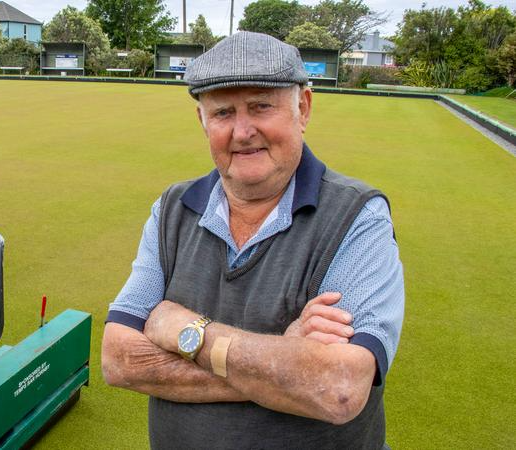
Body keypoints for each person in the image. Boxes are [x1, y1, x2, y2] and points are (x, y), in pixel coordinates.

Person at [101, 32, 404, 449]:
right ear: (202, 121)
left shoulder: (358, 216)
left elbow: (338, 388)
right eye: (223, 112)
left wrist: (187, 332)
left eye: (262, 105)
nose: (242, 131)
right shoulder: (172, 208)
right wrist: (286, 364)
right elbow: (119, 360)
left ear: (303, 107)